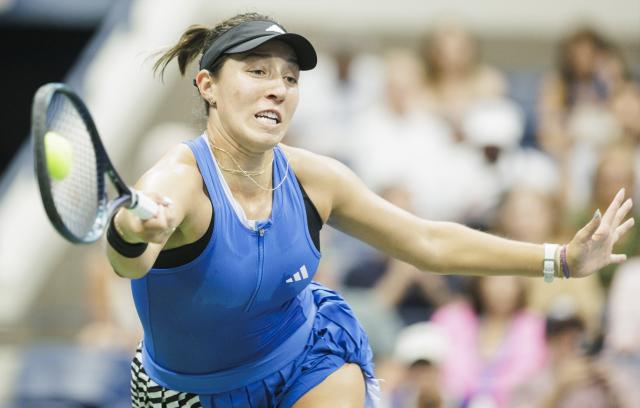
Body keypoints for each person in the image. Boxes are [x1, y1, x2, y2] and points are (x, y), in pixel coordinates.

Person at [105, 12, 635, 407]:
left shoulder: (314, 177)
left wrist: (561, 259)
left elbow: (428, 242)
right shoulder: (177, 180)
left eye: (289, 78)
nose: (278, 90)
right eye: (257, 71)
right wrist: (132, 229)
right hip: (189, 391)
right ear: (208, 87)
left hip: (303, 356)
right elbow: (129, 260)